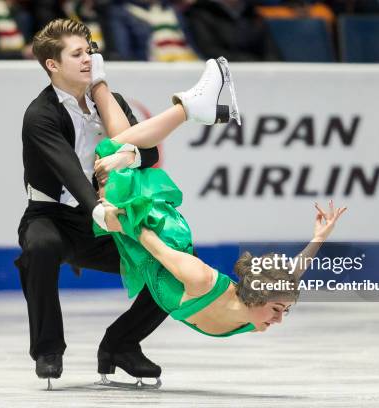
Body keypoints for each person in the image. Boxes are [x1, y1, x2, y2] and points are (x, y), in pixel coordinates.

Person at [86, 56, 347, 341]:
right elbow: (150, 242)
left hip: (146, 247)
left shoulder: (255, 311)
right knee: (112, 152)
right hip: (156, 228)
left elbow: (291, 275)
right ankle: (186, 108)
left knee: (122, 144)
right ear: (258, 298)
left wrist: (318, 238)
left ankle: (104, 82)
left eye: (283, 310)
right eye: (277, 309)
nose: (279, 319)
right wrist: (114, 215)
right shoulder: (200, 280)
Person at [15, 18, 168, 390]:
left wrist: (125, 158)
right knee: (41, 247)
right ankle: (48, 349)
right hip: (52, 216)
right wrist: (98, 208)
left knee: (171, 265)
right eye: (78, 54)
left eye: (91, 52)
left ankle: (121, 344)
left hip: (105, 220)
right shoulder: (41, 114)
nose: (89, 59)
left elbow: (147, 153)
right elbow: (67, 170)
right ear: (53, 64)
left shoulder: (110, 103)